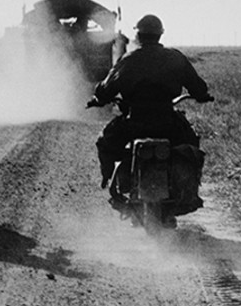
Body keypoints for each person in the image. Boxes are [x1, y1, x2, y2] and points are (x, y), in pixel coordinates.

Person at [88, 14, 213, 190]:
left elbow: (106, 89)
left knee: (105, 143)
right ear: (160, 34)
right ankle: (190, 188)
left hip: (134, 122)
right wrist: (202, 95)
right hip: (168, 122)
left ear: (138, 36)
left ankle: (108, 179)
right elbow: (198, 87)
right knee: (191, 146)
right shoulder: (175, 57)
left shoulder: (128, 60)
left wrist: (98, 99)